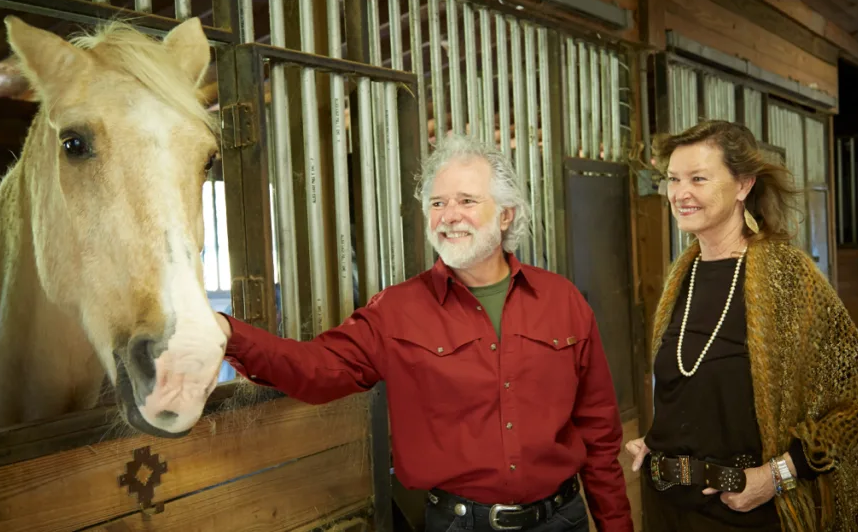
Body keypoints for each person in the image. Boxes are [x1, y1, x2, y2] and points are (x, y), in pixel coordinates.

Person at [215, 134, 633, 532]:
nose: (449, 215)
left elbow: (598, 432)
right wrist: (227, 334)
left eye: (467, 200)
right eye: (438, 203)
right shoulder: (396, 311)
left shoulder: (562, 300)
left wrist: (617, 525)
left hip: (562, 519)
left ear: (506, 214)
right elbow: (315, 368)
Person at [625, 120, 858, 531]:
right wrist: (662, 438)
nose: (679, 193)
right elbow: (696, 382)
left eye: (698, 178)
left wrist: (777, 476)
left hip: (746, 514)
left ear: (743, 185)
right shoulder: (683, 275)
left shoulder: (787, 278)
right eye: (673, 179)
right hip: (668, 510)